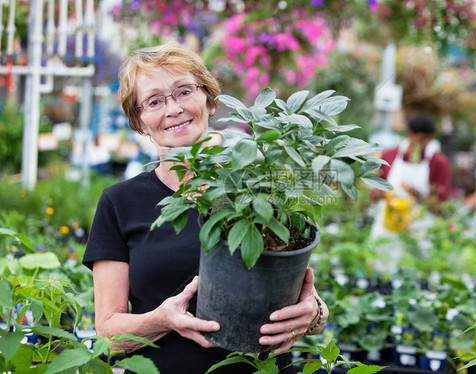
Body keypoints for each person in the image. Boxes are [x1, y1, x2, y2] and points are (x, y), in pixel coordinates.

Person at [82, 42, 328, 374]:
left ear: (210, 100)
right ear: (139, 120)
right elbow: (107, 333)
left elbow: (296, 285)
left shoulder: (263, 186)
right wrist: (162, 320)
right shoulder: (119, 203)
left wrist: (313, 314)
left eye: (184, 92)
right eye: (154, 101)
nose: (173, 109)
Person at [369, 112, 452, 237]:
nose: (425, 144)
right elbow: (375, 189)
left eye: (429, 139)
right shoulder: (389, 156)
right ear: (410, 133)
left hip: (419, 230)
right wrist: (380, 194)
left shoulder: (439, 162)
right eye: (421, 138)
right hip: (387, 226)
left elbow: (442, 203)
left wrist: (417, 194)